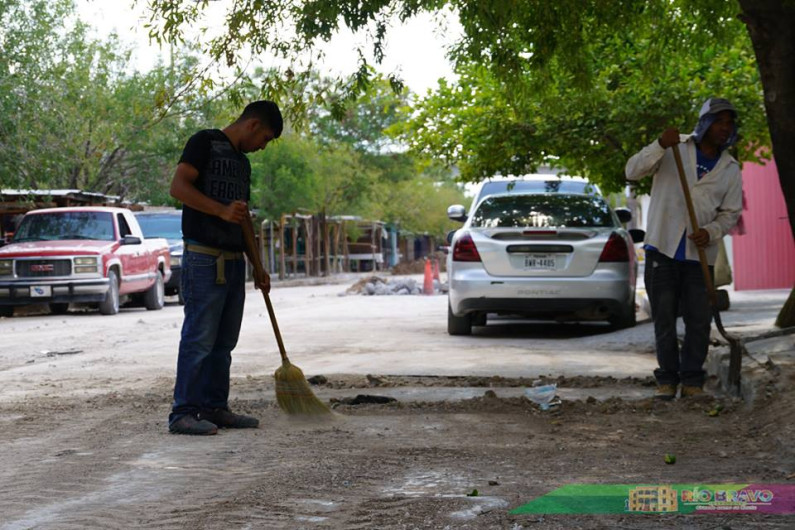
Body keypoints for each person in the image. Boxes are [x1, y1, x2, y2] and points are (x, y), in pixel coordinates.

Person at [168, 100, 282, 435]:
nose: (262, 146)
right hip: (203, 259)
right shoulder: (203, 142)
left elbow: (242, 217)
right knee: (199, 339)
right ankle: (183, 413)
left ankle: (215, 407)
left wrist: (258, 266)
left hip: (234, 263)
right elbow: (178, 188)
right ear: (253, 125)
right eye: (265, 138)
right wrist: (219, 211)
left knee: (224, 343)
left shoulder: (242, 164)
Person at [625, 98, 743, 400]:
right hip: (661, 249)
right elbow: (632, 171)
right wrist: (658, 145)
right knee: (664, 319)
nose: (725, 128)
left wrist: (712, 231)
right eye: (719, 121)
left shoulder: (731, 168)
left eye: (729, 123)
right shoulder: (674, 148)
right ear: (705, 123)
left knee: (698, 321)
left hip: (699, 256)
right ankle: (667, 381)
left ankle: (692, 382)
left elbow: (730, 213)